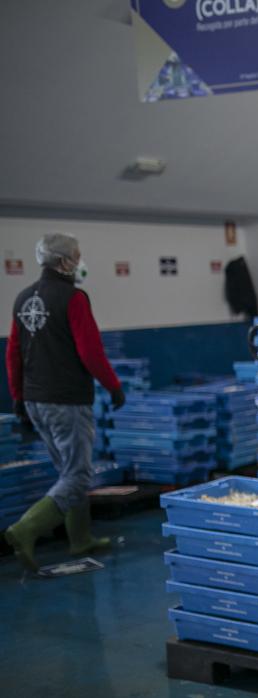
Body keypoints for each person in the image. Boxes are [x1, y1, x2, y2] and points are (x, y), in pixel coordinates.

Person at [5, 233, 122, 572]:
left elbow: (12, 353)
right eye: (78, 256)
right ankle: (25, 530)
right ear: (65, 261)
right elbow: (90, 351)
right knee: (79, 474)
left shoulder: (23, 298)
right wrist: (113, 386)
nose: (80, 261)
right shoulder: (73, 298)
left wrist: (17, 397)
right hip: (66, 400)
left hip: (35, 399)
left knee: (67, 471)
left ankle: (79, 538)